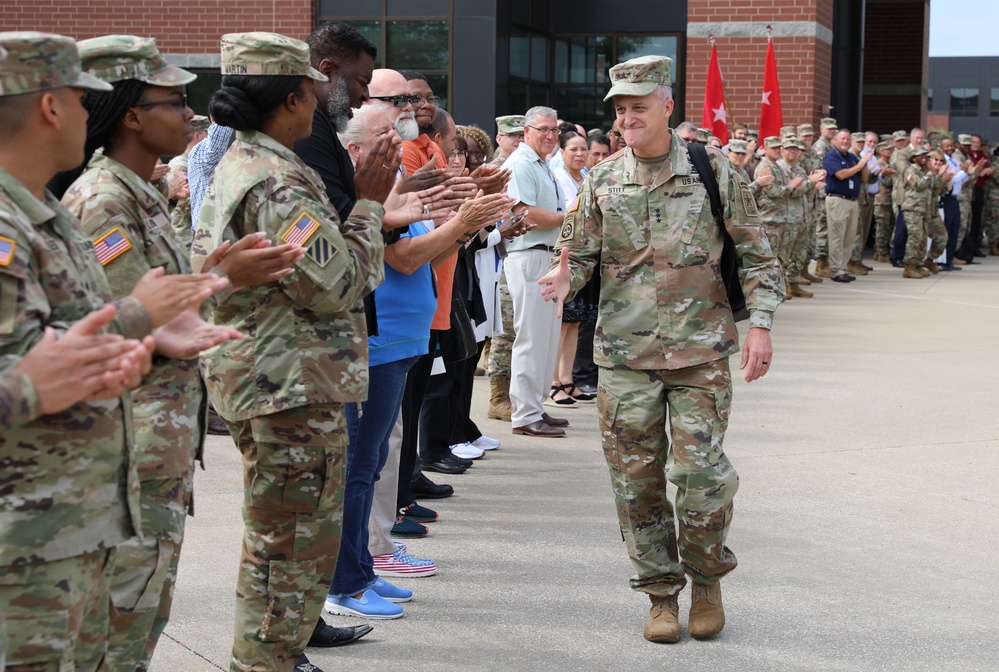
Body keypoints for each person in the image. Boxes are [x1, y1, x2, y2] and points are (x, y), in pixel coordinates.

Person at [0, 31, 227, 672]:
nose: (86, 115)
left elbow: (79, 337)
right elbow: (29, 369)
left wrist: (128, 342)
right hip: (28, 535)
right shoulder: (25, 223)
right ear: (51, 107)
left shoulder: (41, 215)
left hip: (79, 513)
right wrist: (39, 380)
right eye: (80, 98)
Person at [539, 54, 783, 644]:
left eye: (638, 107)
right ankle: (659, 595)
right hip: (624, 357)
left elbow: (755, 252)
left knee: (700, 474)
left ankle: (706, 581)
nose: (627, 119)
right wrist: (563, 277)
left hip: (700, 352)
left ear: (667, 106)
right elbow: (579, 254)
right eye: (620, 110)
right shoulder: (601, 179)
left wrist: (762, 323)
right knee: (636, 480)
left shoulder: (714, 171)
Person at [189, 31, 400, 672]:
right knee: (290, 543)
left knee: (287, 537)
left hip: (283, 378)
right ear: (290, 98)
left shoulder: (257, 162)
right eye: (310, 91)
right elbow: (335, 283)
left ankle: (275, 650)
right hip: (287, 384)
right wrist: (366, 204)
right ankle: (266, 660)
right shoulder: (276, 178)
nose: (318, 104)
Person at [505, 105, 568, 438]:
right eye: (543, 129)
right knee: (530, 337)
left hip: (546, 256)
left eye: (554, 130)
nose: (550, 135)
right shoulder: (520, 164)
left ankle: (535, 405)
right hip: (528, 255)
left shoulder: (543, 165)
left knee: (546, 337)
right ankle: (525, 413)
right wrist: (567, 217)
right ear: (526, 132)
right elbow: (523, 214)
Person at [549, 131, 591, 404]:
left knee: (575, 322)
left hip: (584, 254)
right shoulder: (556, 176)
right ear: (561, 152)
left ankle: (568, 379)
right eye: (573, 148)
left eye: (583, 148)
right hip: (562, 255)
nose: (579, 153)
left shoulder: (587, 176)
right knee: (561, 323)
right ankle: (553, 383)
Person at [823, 129, 868, 283]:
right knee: (837, 236)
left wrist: (864, 164)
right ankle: (835, 270)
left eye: (848, 139)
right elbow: (841, 175)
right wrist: (859, 165)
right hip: (837, 200)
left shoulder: (852, 157)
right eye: (842, 138)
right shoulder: (831, 156)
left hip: (852, 201)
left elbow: (864, 178)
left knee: (849, 237)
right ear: (835, 140)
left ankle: (843, 267)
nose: (845, 142)